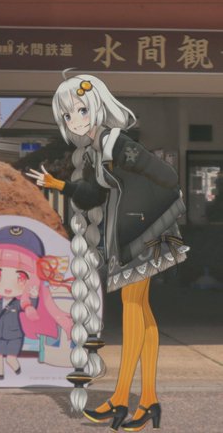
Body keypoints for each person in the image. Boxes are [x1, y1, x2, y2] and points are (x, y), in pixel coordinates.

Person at [27, 74, 188, 432]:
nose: (75, 120)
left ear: (98, 106)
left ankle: (120, 398)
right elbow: (93, 196)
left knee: (132, 308)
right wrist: (59, 185)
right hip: (131, 234)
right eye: (68, 115)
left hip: (142, 234)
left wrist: (141, 213)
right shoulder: (96, 150)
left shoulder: (116, 142)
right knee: (142, 311)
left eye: (81, 110)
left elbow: (167, 176)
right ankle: (148, 401)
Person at [0, 225, 73, 379]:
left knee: (11, 359)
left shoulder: (17, 303)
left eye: (21, 277)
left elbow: (30, 308)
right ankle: (0, 377)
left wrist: (34, 296)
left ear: (33, 279)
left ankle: (17, 371)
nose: (8, 285)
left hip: (14, 336)